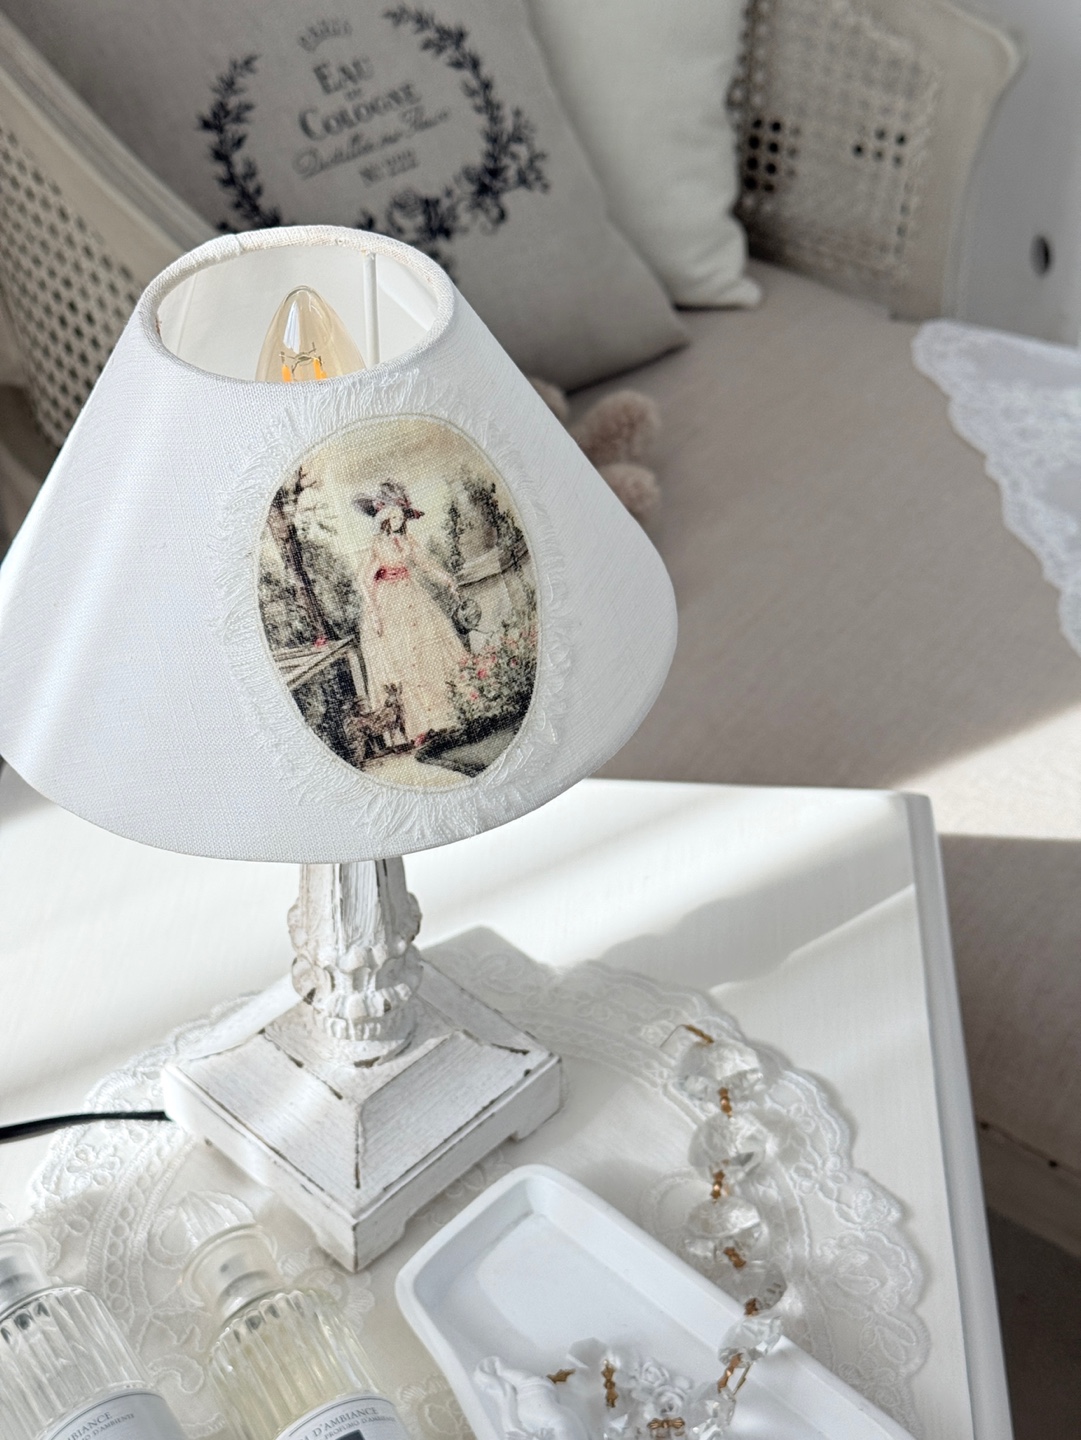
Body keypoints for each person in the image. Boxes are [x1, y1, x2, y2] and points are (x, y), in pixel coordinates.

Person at [354, 481, 467, 744]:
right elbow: (363, 579)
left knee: (428, 651)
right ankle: (418, 727)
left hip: (412, 596)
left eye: (400, 516)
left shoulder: (407, 541)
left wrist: (447, 580)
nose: (397, 521)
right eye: (392, 516)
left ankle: (444, 718)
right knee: (402, 657)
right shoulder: (376, 545)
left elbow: (425, 564)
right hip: (389, 603)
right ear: (384, 518)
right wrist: (373, 612)